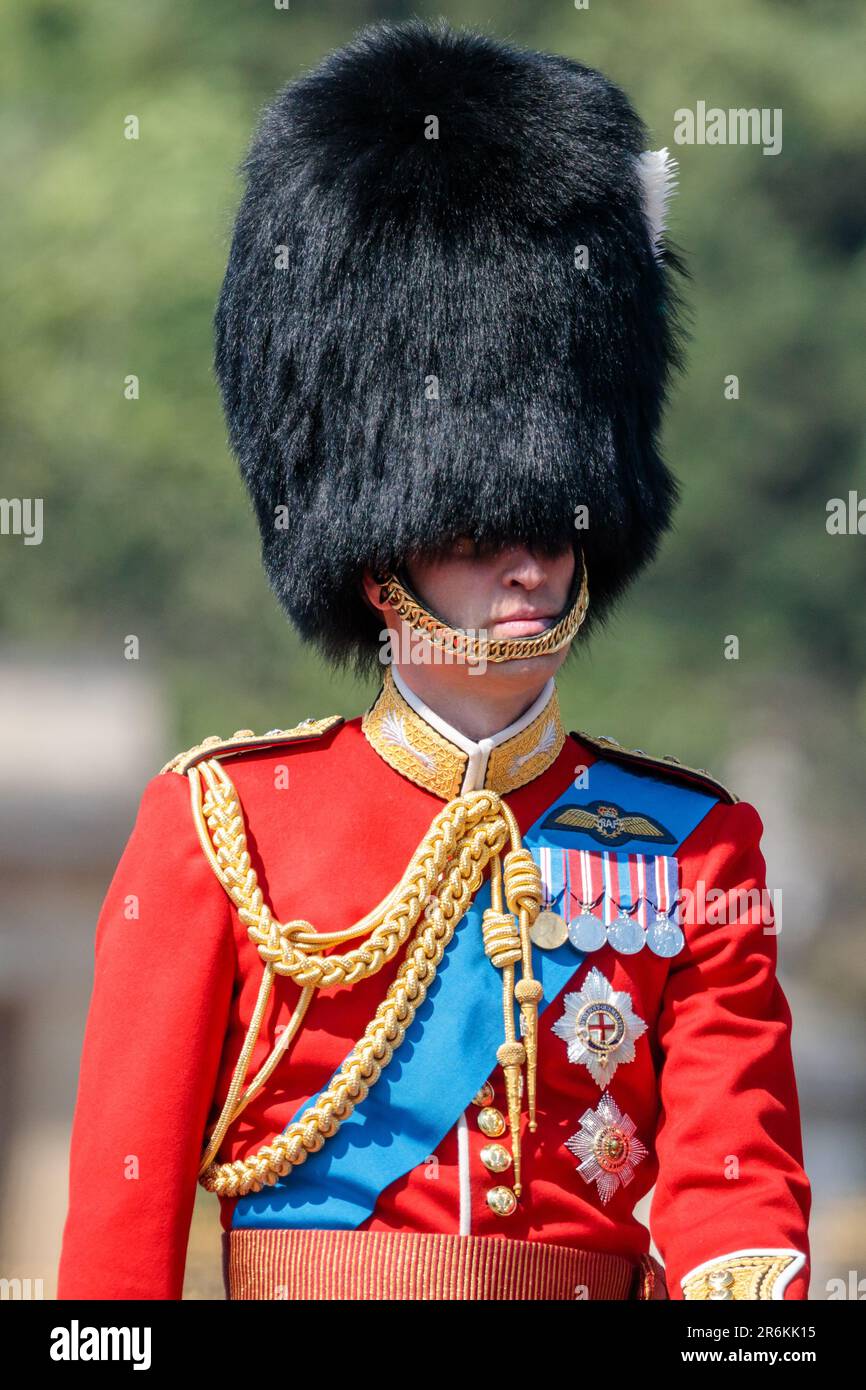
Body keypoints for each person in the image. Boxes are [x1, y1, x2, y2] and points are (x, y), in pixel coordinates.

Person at [57, 18, 811, 1301]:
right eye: (475, 535)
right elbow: (118, 1250)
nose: (528, 567)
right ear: (378, 554)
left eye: (551, 526)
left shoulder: (693, 847)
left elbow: (731, 1183)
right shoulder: (222, 827)